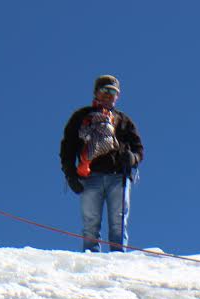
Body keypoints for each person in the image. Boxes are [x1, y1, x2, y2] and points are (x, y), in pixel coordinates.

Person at [60, 75, 144, 252]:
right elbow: (67, 148)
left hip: (118, 176)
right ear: (96, 92)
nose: (108, 95)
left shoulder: (124, 121)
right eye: (105, 90)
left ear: (117, 96)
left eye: (112, 92)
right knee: (91, 224)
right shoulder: (81, 117)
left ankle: (118, 260)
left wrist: (132, 158)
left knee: (118, 223)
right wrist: (70, 174)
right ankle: (92, 260)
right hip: (90, 176)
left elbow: (139, 149)